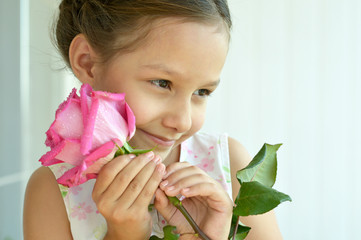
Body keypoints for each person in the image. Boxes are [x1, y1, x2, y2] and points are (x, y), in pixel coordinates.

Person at [23, 1, 283, 239]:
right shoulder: (52, 194)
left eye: (201, 92)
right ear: (88, 63)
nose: (182, 121)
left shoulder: (231, 165)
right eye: (162, 83)